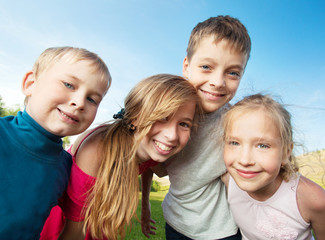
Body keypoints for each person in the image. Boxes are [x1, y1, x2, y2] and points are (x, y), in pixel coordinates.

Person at [40, 74, 202, 240]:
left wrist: (145, 204)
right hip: (68, 222)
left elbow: (152, 167)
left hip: (99, 217)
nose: (172, 135)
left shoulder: (152, 147)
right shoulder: (97, 150)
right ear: (135, 117)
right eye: (162, 117)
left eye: (184, 124)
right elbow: (76, 231)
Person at [141, 15, 251, 239]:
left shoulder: (237, 122)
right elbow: (147, 163)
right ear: (186, 67)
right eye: (206, 67)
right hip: (176, 224)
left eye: (232, 73)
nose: (218, 82)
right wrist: (145, 205)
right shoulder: (164, 114)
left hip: (222, 232)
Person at [0, 46, 111, 239]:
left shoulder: (67, 167)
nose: (80, 102)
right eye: (69, 85)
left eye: (92, 99)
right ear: (31, 83)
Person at [221, 93, 325, 240]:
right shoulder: (229, 179)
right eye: (234, 143)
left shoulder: (313, 199)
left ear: (286, 152)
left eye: (262, 145)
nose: (244, 160)